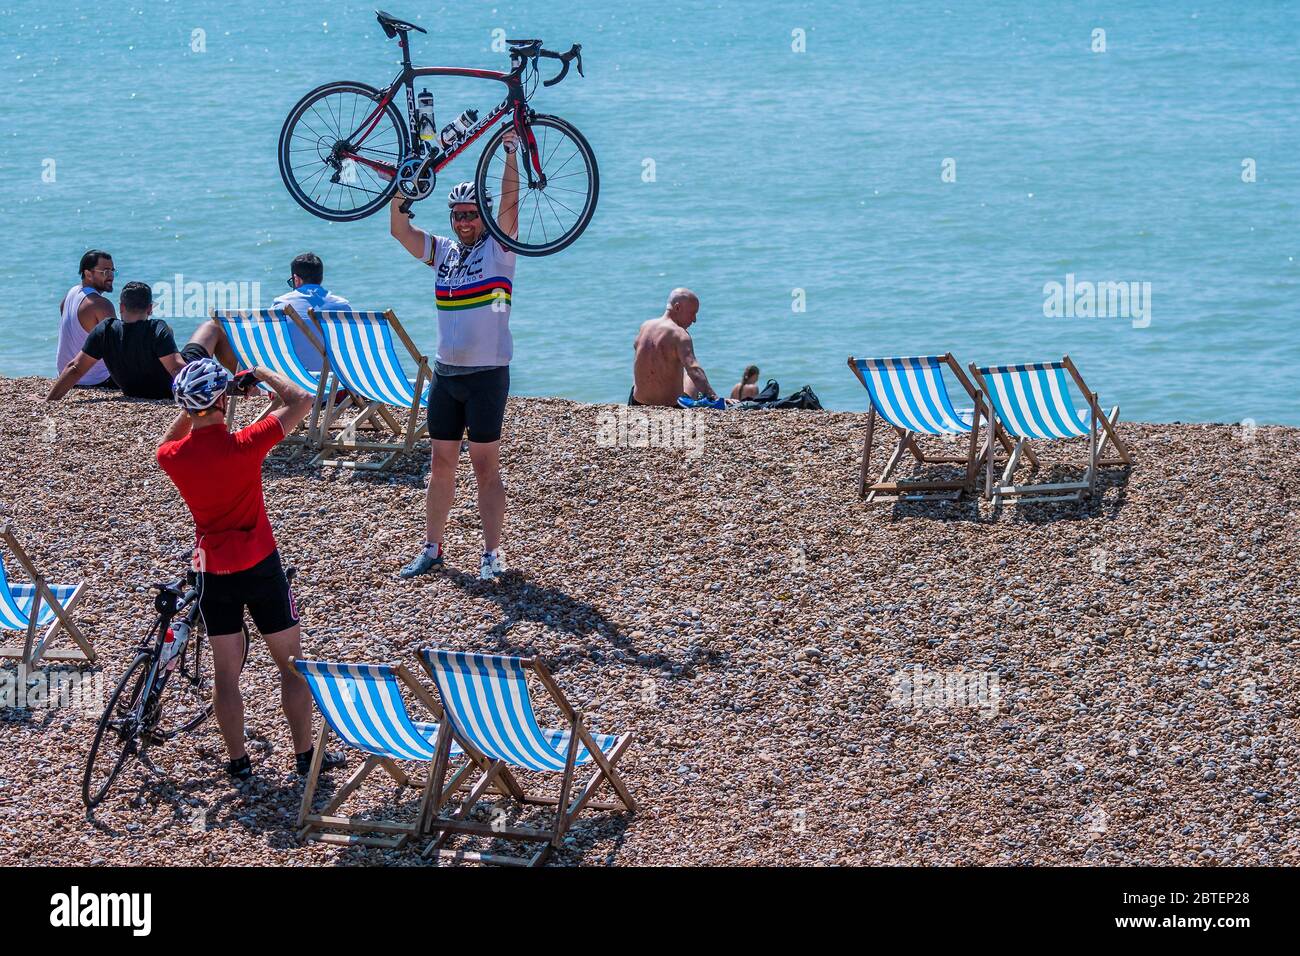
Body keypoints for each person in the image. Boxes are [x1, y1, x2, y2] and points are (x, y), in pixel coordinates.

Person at [157, 359, 344, 781]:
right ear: (223, 399)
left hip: (211, 570)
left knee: (226, 674)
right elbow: (300, 399)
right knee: (291, 665)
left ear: (187, 406)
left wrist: (195, 407)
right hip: (259, 565)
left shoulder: (173, 457)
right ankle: (303, 756)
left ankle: (239, 761)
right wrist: (260, 372)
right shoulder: (245, 445)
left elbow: (171, 439)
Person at [388, 129, 520, 581]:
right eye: (458, 215)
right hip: (447, 375)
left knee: (485, 466)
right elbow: (399, 229)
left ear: (482, 216)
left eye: (471, 215)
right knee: (440, 463)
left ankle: (492, 553)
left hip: (487, 375)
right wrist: (404, 181)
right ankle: (432, 547)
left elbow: (509, 202)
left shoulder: (500, 250)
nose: (465, 221)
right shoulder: (442, 252)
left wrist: (509, 152)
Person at [46, 282, 194, 401]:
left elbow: (75, 368)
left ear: (122, 307)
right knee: (209, 330)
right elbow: (176, 369)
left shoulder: (105, 329)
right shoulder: (157, 327)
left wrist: (49, 400)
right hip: (165, 389)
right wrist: (196, 400)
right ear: (149, 309)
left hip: (130, 390)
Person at [631, 288, 720, 407]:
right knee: (689, 376)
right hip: (669, 406)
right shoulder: (680, 335)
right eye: (693, 313)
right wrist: (714, 397)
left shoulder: (645, 326)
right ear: (677, 307)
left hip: (636, 403)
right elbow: (694, 370)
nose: (694, 320)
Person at [270, 252, 352, 372]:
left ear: (296, 279)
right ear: (321, 278)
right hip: (335, 383)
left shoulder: (280, 305)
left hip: (293, 381)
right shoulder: (342, 306)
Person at [56, 250, 117, 388]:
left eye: (112, 271)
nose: (111, 276)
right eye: (105, 272)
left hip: (65, 376)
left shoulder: (71, 293)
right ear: (88, 273)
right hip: (96, 380)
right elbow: (117, 346)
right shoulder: (100, 304)